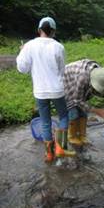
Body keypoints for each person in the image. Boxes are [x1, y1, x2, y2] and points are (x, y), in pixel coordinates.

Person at [16, 16, 76, 163]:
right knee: (63, 117)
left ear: (39, 30)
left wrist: (21, 51)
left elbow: (22, 69)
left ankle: (49, 154)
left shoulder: (29, 46)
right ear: (53, 31)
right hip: (57, 90)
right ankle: (61, 147)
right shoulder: (59, 47)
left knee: (45, 121)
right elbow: (62, 70)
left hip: (40, 91)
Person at [63, 59, 104, 147]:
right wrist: (95, 110)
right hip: (67, 84)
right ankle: (72, 136)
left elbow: (95, 91)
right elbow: (76, 100)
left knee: (83, 112)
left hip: (78, 83)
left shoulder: (101, 74)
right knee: (73, 111)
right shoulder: (82, 77)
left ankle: (82, 135)